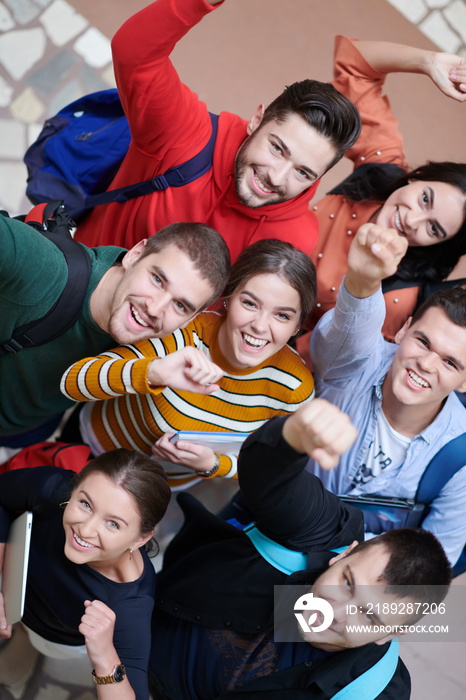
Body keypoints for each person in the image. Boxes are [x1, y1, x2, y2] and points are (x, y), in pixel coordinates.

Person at [148, 399, 451, 700]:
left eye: (369, 616)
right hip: (137, 630)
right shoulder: (327, 532)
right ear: (344, 554)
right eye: (347, 583)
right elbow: (272, 481)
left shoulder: (374, 690)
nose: (336, 613)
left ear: (391, 634)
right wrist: (291, 437)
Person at [73, 0, 361, 262]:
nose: (276, 176)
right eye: (277, 148)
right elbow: (133, 53)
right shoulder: (186, 132)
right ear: (256, 120)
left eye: (303, 173)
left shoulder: (295, 239)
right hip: (72, 294)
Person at [60, 240, 316, 489]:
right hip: (89, 448)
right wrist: (153, 371)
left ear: (297, 326)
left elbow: (274, 464)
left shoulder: (294, 387)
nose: (260, 326)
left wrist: (214, 464)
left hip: (155, 487)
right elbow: (72, 382)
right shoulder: (182, 331)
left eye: (282, 315)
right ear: (228, 298)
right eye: (249, 303)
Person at [306, 221, 466, 567]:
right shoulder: (358, 363)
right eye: (423, 341)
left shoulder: (461, 455)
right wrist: (363, 282)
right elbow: (353, 330)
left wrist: (355, 562)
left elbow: (435, 559)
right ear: (404, 329)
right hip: (266, 526)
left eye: (450, 363)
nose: (425, 364)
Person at [296, 35, 466, 358]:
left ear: (439, 246)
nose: (411, 219)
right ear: (417, 177)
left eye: (434, 230)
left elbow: (332, 365)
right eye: (425, 199)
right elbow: (354, 62)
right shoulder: (386, 166)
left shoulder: (399, 298)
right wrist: (429, 62)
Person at [0, 217, 230, 448]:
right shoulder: (45, 268)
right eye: (157, 280)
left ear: (190, 319)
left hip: (31, 426)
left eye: (180, 305)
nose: (154, 308)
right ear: (135, 255)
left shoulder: (166, 343)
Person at [0, 448, 171, 700]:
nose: (85, 530)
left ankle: (25, 640)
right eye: (85, 504)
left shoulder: (131, 604)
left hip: (54, 636)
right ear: (75, 488)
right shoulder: (56, 489)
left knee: (35, 640)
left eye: (113, 523)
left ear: (140, 538)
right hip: (14, 581)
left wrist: (104, 657)